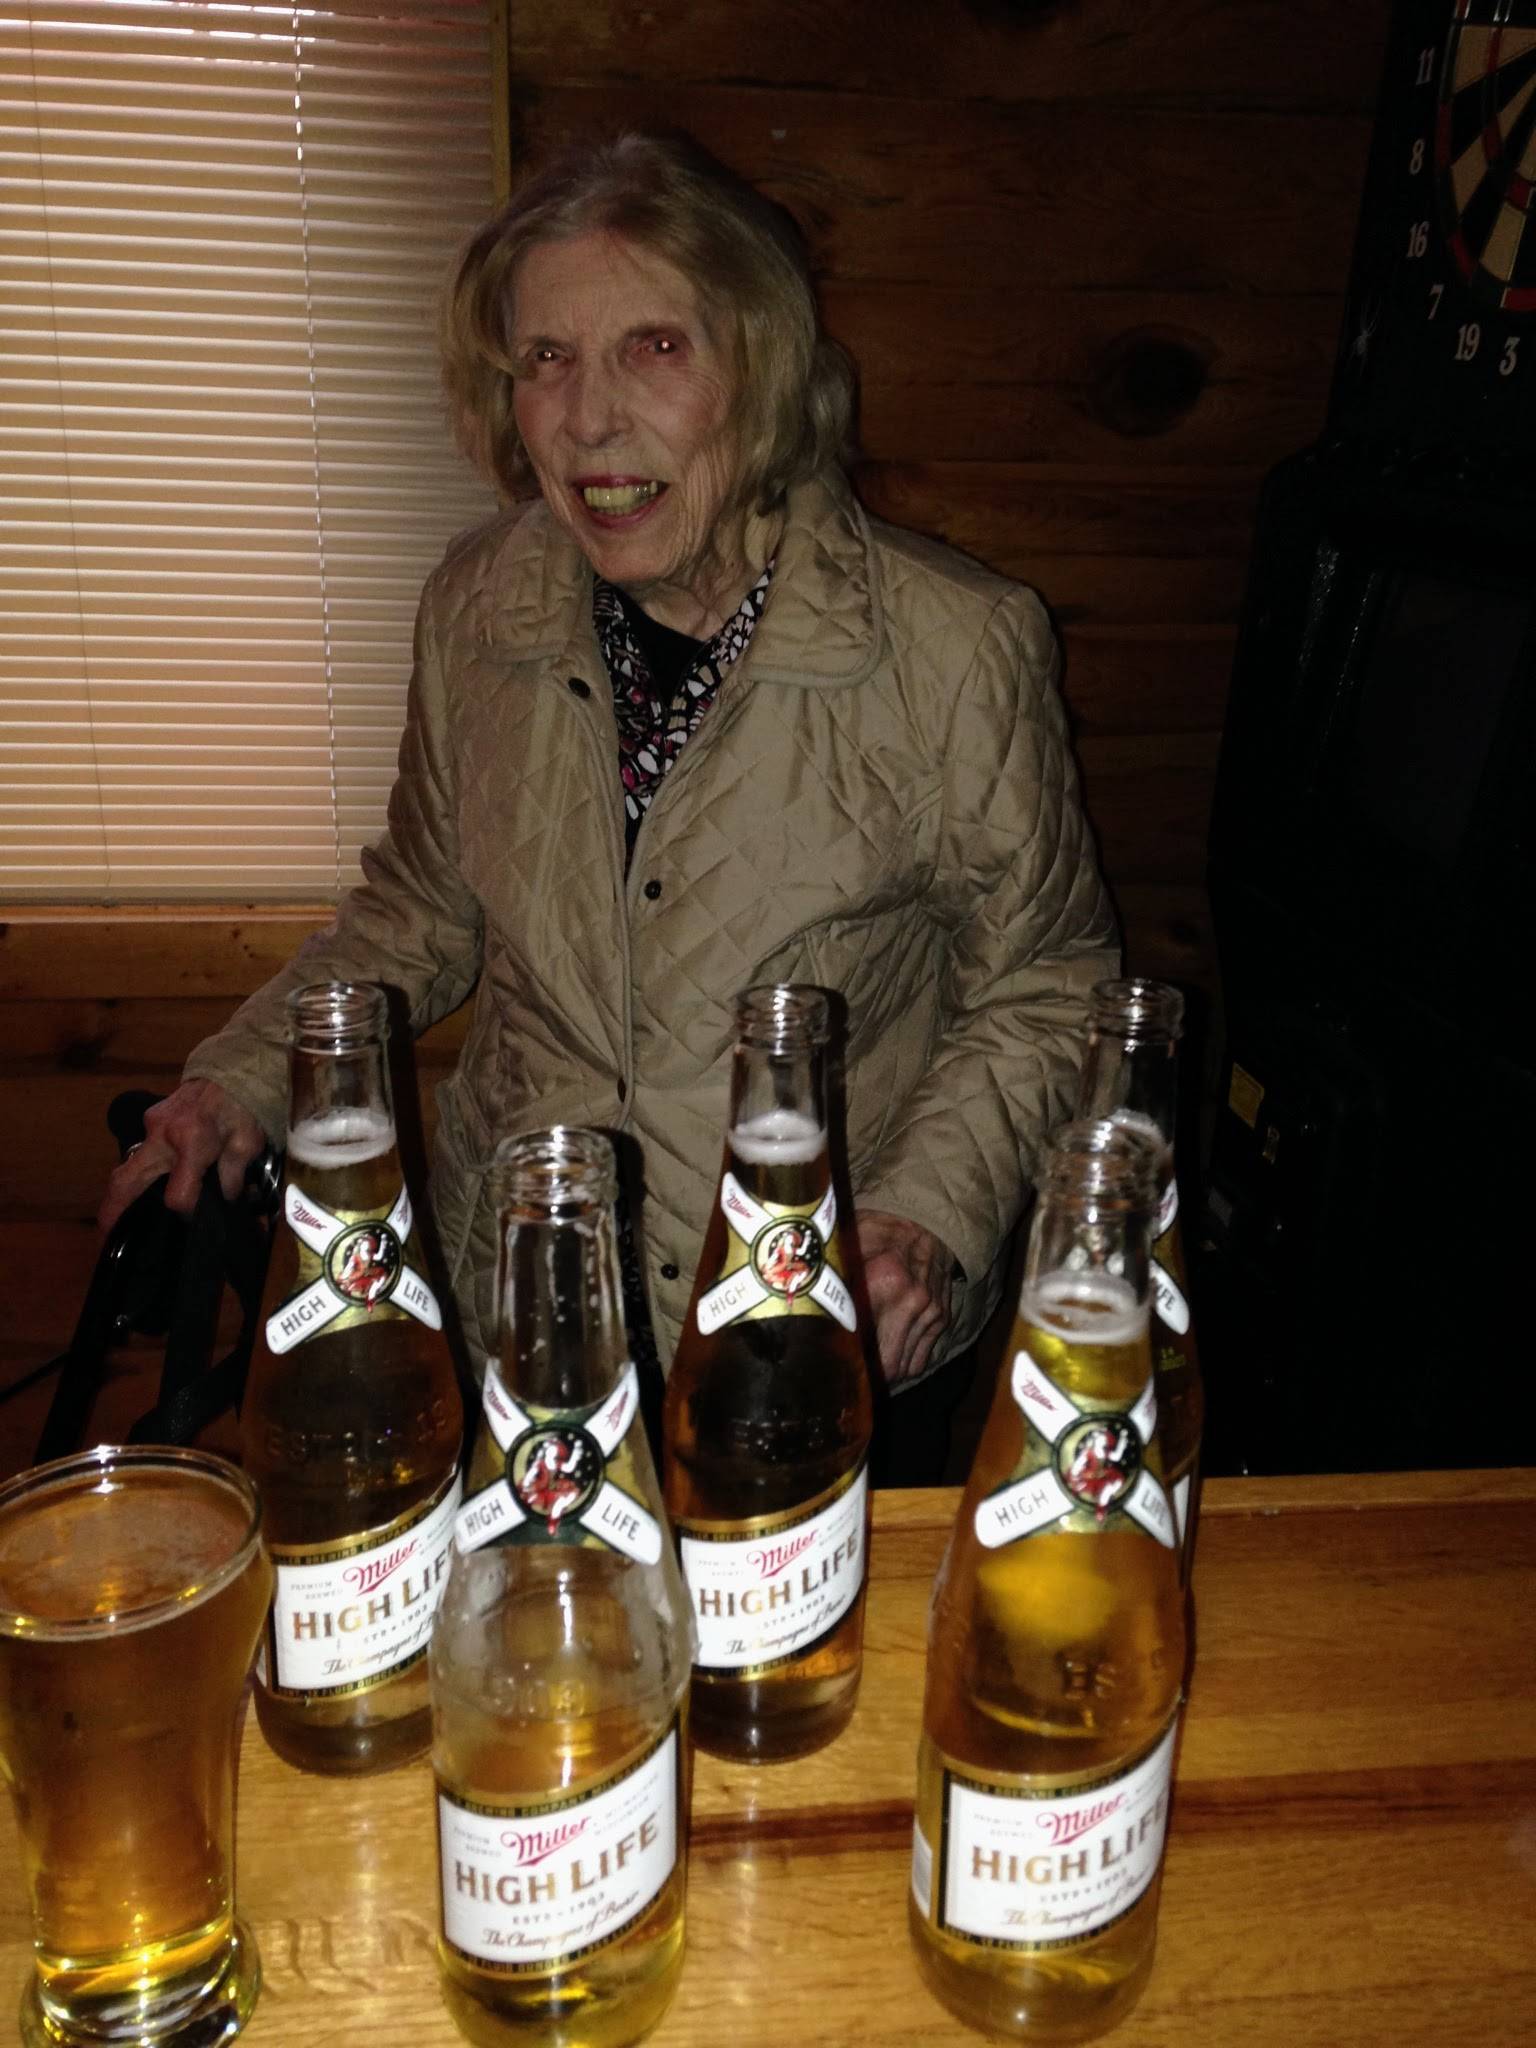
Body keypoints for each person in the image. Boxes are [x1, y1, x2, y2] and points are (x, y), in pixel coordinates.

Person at [99, 131, 1118, 1479]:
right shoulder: (475, 608)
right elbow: (418, 909)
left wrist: (924, 1221)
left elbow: (1047, 983)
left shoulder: (956, 648)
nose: (589, 420)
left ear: (763, 371)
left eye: (656, 348)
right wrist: (239, 1081)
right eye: (547, 358)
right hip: (520, 1308)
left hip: (807, 1318)